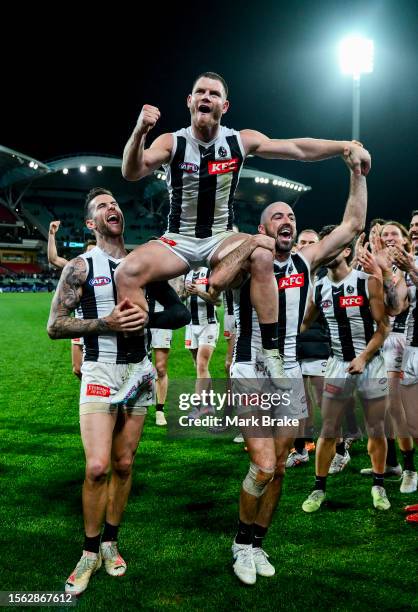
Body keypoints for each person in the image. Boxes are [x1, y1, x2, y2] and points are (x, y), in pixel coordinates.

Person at [115, 71, 371, 397]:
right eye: (200, 92)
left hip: (221, 237)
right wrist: (140, 130)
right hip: (177, 238)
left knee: (262, 254)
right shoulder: (172, 141)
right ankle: (138, 363)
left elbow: (297, 148)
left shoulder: (239, 140)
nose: (206, 97)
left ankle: (271, 351)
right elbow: (131, 171)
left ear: (225, 104)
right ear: (189, 101)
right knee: (127, 270)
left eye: (214, 93)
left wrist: (344, 147)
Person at [211, 159, 368, 584]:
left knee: (279, 468)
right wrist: (249, 244)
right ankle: (241, 544)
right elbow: (213, 284)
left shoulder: (303, 262)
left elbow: (352, 224)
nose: (287, 220)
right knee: (262, 466)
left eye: (291, 216)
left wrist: (358, 174)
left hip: (291, 373)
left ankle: (258, 544)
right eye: (277, 215)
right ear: (264, 228)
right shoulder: (248, 260)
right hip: (251, 369)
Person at [47, 188, 189, 596]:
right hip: (99, 371)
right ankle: (88, 552)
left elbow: (178, 312)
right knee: (97, 466)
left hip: (140, 372)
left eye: (114, 204)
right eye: (101, 206)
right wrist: (105, 324)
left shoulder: (142, 265)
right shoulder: (80, 266)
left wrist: (149, 318)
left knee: (124, 465)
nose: (112, 208)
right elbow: (55, 325)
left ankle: (110, 542)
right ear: (91, 224)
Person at [301, 226, 391, 513]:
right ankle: (318, 489)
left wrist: (364, 356)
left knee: (376, 428)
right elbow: (303, 324)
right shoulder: (319, 286)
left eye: (332, 246)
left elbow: (383, 328)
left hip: (370, 363)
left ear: (346, 250)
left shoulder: (368, 282)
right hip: (338, 364)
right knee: (328, 429)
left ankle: (378, 485)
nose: (326, 251)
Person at [47, 219, 96, 378]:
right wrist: (52, 234)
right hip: (78, 323)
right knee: (77, 368)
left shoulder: (106, 271)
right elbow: (53, 259)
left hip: (97, 324)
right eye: (88, 251)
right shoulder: (76, 269)